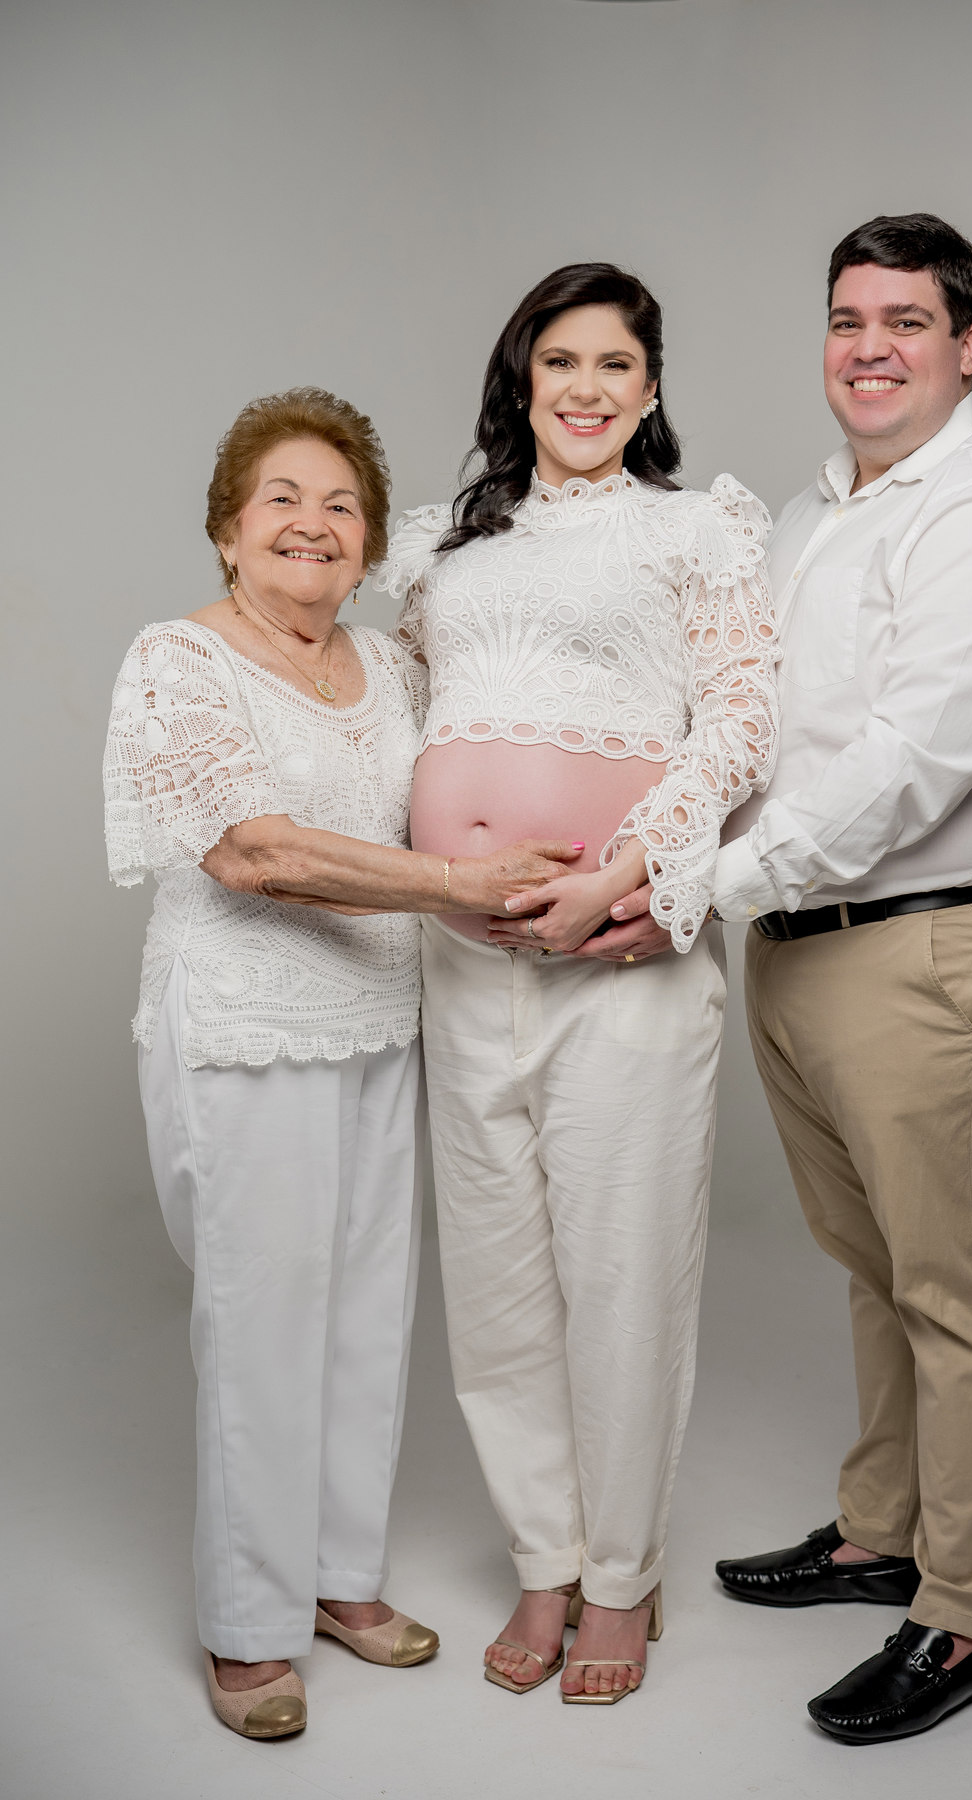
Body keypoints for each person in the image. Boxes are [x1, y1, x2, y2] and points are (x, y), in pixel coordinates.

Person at [103, 388, 577, 1738]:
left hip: (381, 1018)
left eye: (342, 506)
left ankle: (337, 1578)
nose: (312, 524)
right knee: (263, 1324)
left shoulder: (387, 662)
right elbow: (251, 851)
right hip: (245, 1026)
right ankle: (247, 1629)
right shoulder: (180, 660)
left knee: (369, 1315)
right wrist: (459, 884)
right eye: (282, 500)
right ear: (226, 530)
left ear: (369, 543)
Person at [707, 216, 972, 1741]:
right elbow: (757, 726)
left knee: (955, 1288)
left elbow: (914, 759)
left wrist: (701, 887)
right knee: (874, 1266)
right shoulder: (813, 513)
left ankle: (967, 1615)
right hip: (804, 944)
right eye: (848, 319)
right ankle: (884, 1534)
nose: (870, 348)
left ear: (968, 345)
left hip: (934, 948)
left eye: (908, 322)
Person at [379, 263, 778, 1703]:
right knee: (495, 1278)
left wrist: (627, 879)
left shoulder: (696, 528)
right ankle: (543, 1557)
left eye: (617, 363)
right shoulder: (442, 547)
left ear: (652, 386)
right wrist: (431, 875)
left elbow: (743, 723)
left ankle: (621, 1574)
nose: (589, 388)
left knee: (622, 1266)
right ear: (523, 379)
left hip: (621, 952)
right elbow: (404, 725)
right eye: (562, 362)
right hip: (462, 956)